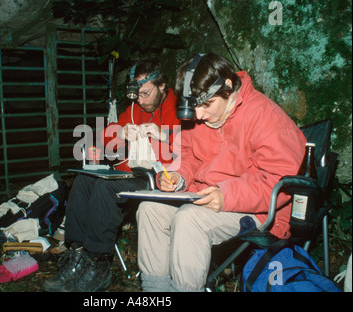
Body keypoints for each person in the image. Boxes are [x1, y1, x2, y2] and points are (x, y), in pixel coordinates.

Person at [136, 52, 307, 292]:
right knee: (149, 210)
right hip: (204, 196)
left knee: (189, 219)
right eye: (194, 107)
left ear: (227, 87)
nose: (198, 115)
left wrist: (226, 195)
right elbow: (188, 155)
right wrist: (179, 177)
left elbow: (283, 181)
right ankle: (156, 293)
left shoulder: (264, 115)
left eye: (206, 105)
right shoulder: (200, 117)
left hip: (259, 209)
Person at [43, 58, 181, 292]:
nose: (141, 100)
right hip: (131, 172)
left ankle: (98, 263)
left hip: (159, 177)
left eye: (146, 94)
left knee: (106, 189)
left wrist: (165, 135)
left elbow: (192, 147)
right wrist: (120, 133)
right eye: (137, 95)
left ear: (162, 85)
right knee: (85, 180)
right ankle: (77, 255)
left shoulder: (178, 108)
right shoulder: (135, 109)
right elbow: (105, 139)